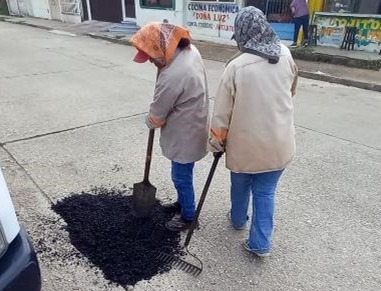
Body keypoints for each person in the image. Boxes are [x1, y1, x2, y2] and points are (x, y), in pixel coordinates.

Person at [209, 6, 298, 257]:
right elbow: (291, 90)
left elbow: (221, 114)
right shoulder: (285, 54)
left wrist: (217, 143)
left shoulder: (236, 66)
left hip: (246, 146)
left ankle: (238, 220)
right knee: (265, 192)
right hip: (279, 142)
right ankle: (260, 244)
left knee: (240, 183)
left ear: (243, 32)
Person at [131, 22, 209, 231]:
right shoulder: (188, 51)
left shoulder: (174, 74)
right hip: (194, 121)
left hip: (184, 131)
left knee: (180, 175)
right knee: (185, 172)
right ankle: (182, 202)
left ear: (159, 48)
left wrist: (148, 120)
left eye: (150, 56)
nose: (150, 61)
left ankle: (189, 217)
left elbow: (157, 116)